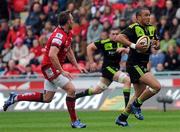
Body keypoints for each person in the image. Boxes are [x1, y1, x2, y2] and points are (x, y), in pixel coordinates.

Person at [3, 10, 87, 128]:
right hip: (50, 67)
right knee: (71, 89)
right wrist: (62, 71)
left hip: (53, 67)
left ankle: (15, 97)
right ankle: (74, 121)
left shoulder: (68, 32)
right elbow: (52, 55)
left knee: (47, 98)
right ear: (68, 21)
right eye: (72, 19)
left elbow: (68, 50)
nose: (73, 20)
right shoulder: (59, 36)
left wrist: (77, 65)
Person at [115, 7, 161, 127]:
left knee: (138, 94)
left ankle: (122, 118)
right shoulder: (134, 28)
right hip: (134, 64)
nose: (148, 17)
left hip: (143, 63)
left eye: (149, 15)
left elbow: (157, 43)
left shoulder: (152, 28)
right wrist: (134, 46)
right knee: (156, 86)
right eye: (145, 15)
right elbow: (119, 37)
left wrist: (156, 45)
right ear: (138, 17)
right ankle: (137, 105)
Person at [75, 28, 131, 108]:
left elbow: (132, 51)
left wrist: (125, 49)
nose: (115, 36)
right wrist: (92, 62)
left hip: (114, 70)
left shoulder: (122, 43)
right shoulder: (104, 42)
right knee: (127, 80)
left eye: (117, 34)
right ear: (109, 35)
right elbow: (89, 47)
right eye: (113, 34)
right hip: (107, 69)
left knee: (97, 90)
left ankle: (76, 96)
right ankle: (127, 107)